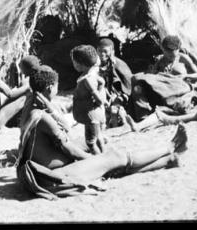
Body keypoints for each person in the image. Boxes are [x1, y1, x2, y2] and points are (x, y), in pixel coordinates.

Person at [16, 66, 188, 200]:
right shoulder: (42, 117)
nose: (57, 89)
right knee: (114, 158)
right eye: (56, 87)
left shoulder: (32, 104)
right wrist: (92, 159)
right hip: (51, 177)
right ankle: (169, 147)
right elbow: (68, 148)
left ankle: (169, 160)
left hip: (43, 168)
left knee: (95, 143)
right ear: (50, 88)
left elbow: (63, 131)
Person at [130, 35, 197, 120]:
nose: (170, 56)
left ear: (178, 49)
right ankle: (143, 116)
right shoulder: (160, 60)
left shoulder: (183, 58)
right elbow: (154, 79)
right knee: (137, 85)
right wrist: (152, 73)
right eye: (168, 53)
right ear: (163, 49)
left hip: (179, 88)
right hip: (164, 90)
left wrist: (185, 76)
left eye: (173, 54)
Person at [71, 45, 108, 155]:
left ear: (79, 63)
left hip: (91, 116)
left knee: (91, 142)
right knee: (99, 137)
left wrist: (100, 100)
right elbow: (102, 81)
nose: (73, 64)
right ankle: (105, 156)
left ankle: (100, 160)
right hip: (92, 115)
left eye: (74, 61)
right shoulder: (91, 75)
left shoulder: (87, 80)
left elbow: (99, 99)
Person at [96, 37, 133, 127]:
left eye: (105, 51)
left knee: (115, 110)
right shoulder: (97, 65)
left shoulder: (119, 64)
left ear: (112, 51)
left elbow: (129, 84)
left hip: (120, 96)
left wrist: (118, 97)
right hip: (103, 95)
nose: (102, 54)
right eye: (99, 51)